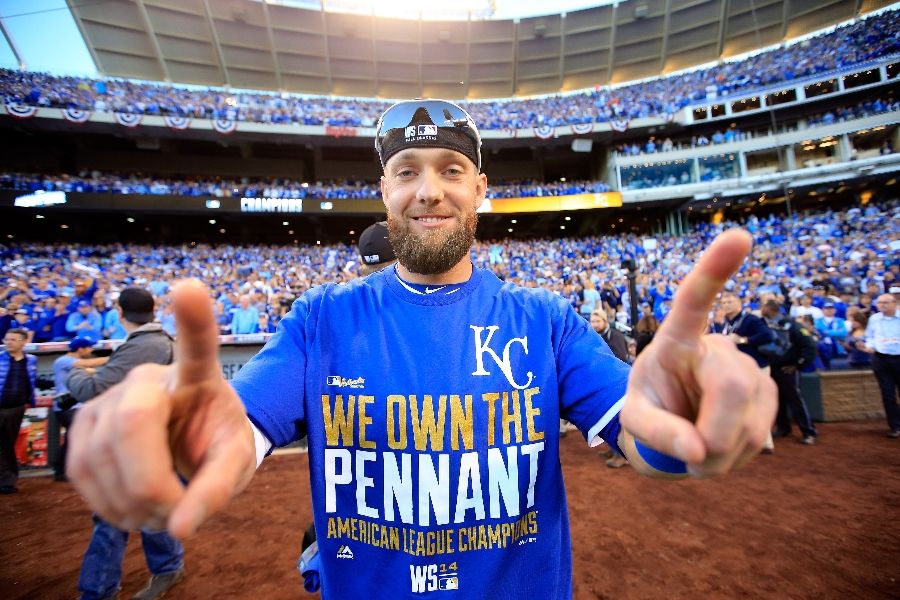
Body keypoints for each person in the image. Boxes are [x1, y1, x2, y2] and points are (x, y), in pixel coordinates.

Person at [66, 99, 776, 600]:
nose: (428, 191)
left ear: (480, 190)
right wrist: (185, 444)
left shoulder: (546, 321)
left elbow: (644, 435)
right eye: (407, 170)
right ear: (384, 190)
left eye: (451, 170)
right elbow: (238, 428)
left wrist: (681, 421)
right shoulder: (321, 320)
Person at [66, 288, 185, 600]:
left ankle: (98, 590)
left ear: (119, 312)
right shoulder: (159, 340)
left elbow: (92, 389)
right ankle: (168, 567)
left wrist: (69, 371)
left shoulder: (145, 344)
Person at [718, 291, 775, 453]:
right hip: (739, 368)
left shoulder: (750, 319)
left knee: (758, 404)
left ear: (739, 303)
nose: (726, 305)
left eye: (730, 301)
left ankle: (765, 443)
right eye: (724, 302)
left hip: (756, 367)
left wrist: (744, 340)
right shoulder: (727, 323)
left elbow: (767, 335)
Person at [760, 300, 818, 445]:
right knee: (777, 399)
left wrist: (797, 364)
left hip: (787, 368)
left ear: (772, 309)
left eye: (763, 306)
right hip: (771, 367)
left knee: (795, 400)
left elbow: (809, 346)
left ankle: (808, 431)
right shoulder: (763, 324)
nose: (761, 309)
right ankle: (783, 427)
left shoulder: (792, 325)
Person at [51, 337, 108, 481]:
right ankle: (62, 470)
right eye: (89, 347)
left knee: (75, 438)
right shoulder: (63, 360)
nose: (91, 350)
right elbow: (89, 364)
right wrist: (116, 358)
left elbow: (91, 370)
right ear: (80, 349)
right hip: (66, 406)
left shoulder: (76, 364)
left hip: (76, 406)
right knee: (75, 438)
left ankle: (66, 470)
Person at [0, 329, 37, 494]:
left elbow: (32, 381)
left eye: (13, 340)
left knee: (8, 446)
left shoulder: (32, 360)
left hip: (16, 408)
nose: (8, 342)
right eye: (7, 339)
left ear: (24, 342)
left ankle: (7, 482)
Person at [860, 294, 900, 437]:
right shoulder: (874, 319)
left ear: (894, 303)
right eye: (879, 302)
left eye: (885, 302)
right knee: (887, 394)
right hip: (881, 359)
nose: (882, 305)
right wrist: (869, 346)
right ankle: (895, 426)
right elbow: (870, 337)